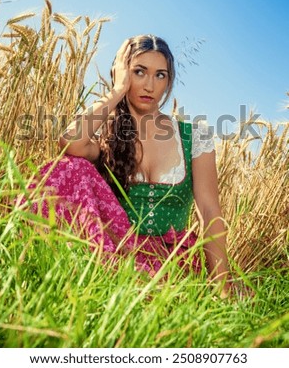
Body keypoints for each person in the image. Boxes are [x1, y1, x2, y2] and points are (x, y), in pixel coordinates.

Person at [28, 35, 233, 295]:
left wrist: (222, 286)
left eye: (160, 75)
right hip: (115, 252)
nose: (149, 85)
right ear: (122, 74)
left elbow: (209, 210)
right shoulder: (106, 136)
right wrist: (117, 91)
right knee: (70, 167)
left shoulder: (194, 137)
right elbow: (70, 142)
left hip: (171, 261)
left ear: (169, 81)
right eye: (139, 72)